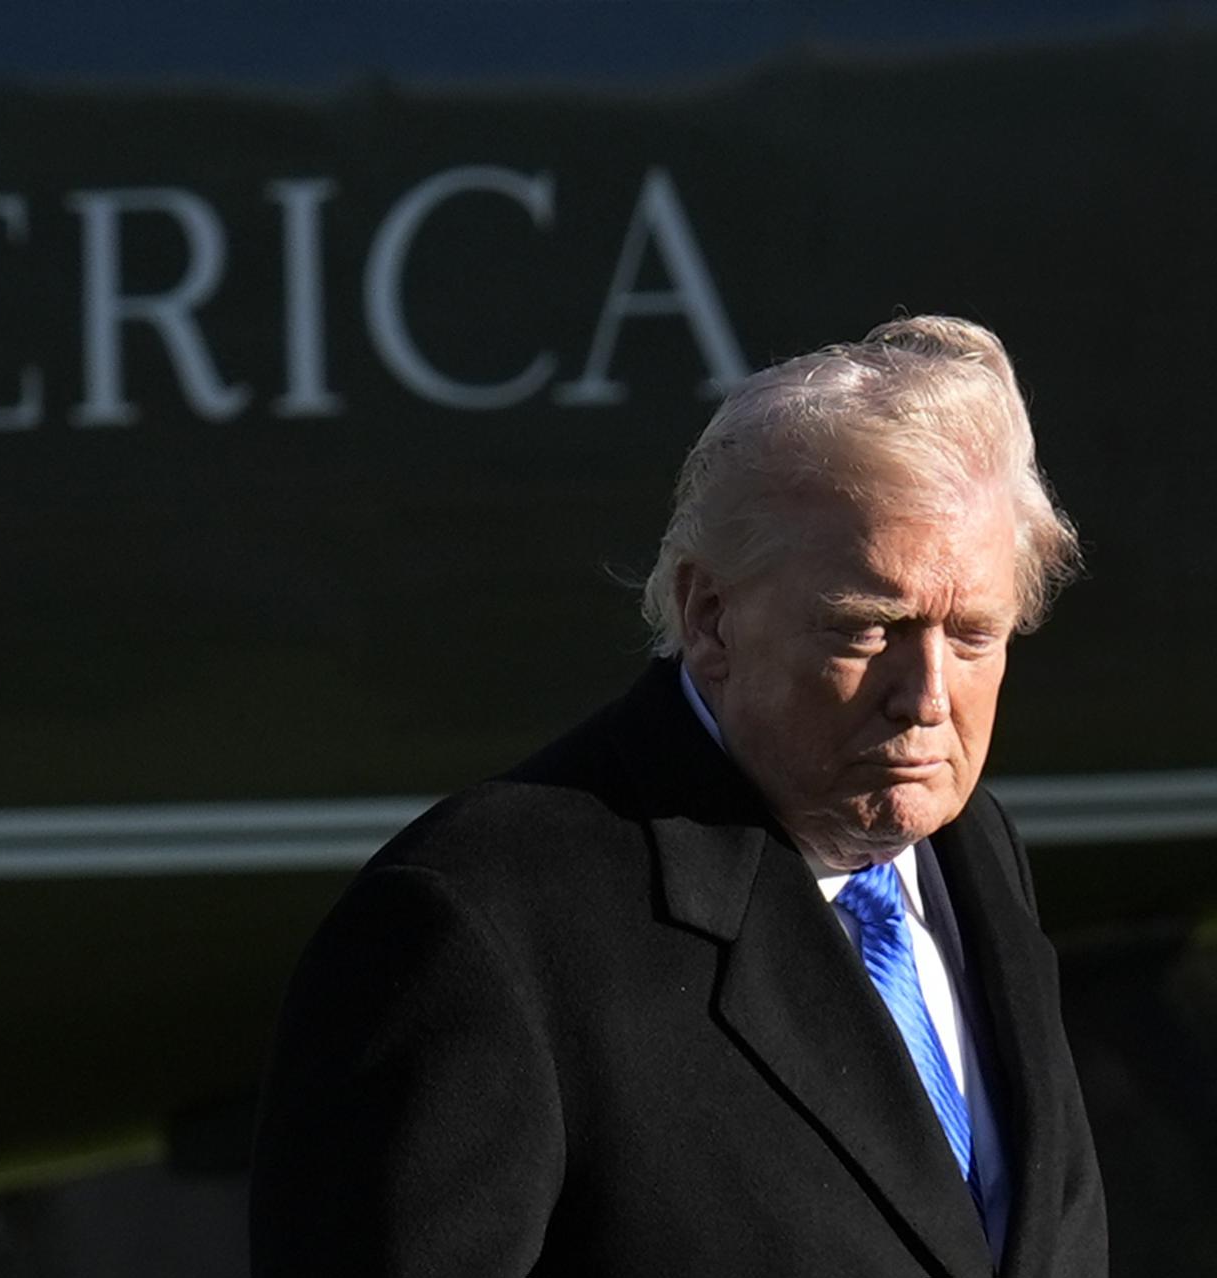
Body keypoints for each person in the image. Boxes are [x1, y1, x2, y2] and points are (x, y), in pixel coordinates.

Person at [249, 316, 1107, 1277]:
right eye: (869, 630)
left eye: (974, 636)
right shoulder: (480, 926)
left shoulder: (971, 851)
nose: (927, 699)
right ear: (710, 618)